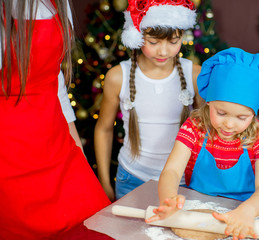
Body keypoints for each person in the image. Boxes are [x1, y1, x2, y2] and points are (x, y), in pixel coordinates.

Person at [0, 0, 110, 239]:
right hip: (10, 157)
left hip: (58, 146)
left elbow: (54, 76)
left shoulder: (58, 4)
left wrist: (76, 148)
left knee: (94, 225)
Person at [146, 47, 259, 239]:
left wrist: (248, 211)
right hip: (195, 205)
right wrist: (169, 199)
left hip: (245, 211)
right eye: (221, 113)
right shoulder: (195, 127)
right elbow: (172, 171)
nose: (229, 124)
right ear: (209, 102)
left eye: (242, 117)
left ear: (254, 113)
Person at [94, 0, 203, 201]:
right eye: (153, 42)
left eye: (173, 42)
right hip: (132, 179)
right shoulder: (118, 77)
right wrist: (105, 182)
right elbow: (104, 129)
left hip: (181, 181)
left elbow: (207, 131)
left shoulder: (194, 75)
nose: (163, 51)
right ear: (137, 35)